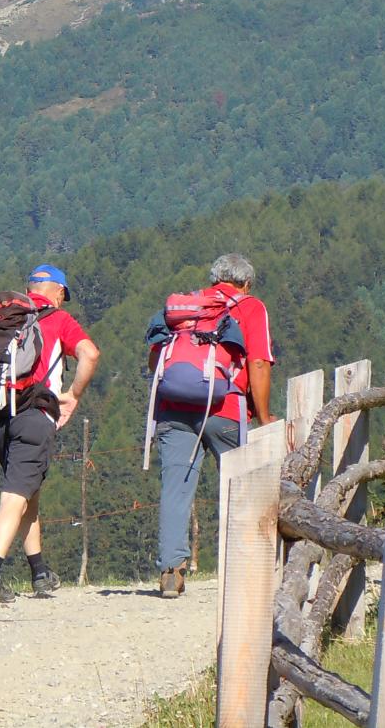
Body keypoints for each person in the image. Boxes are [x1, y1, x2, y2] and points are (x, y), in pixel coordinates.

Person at [0, 263, 101, 603]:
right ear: (57, 290)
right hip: (34, 415)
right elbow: (90, 353)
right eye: (63, 294)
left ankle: (40, 572)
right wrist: (73, 395)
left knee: (27, 487)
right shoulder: (58, 320)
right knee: (16, 492)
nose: (63, 300)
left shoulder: (1, 318)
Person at [152, 253, 277, 599]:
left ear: (213, 278)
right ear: (246, 282)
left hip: (174, 407)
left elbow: (155, 357)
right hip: (225, 407)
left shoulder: (186, 306)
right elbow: (259, 363)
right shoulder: (250, 307)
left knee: (175, 488)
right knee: (243, 487)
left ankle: (171, 571)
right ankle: (247, 569)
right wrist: (265, 416)